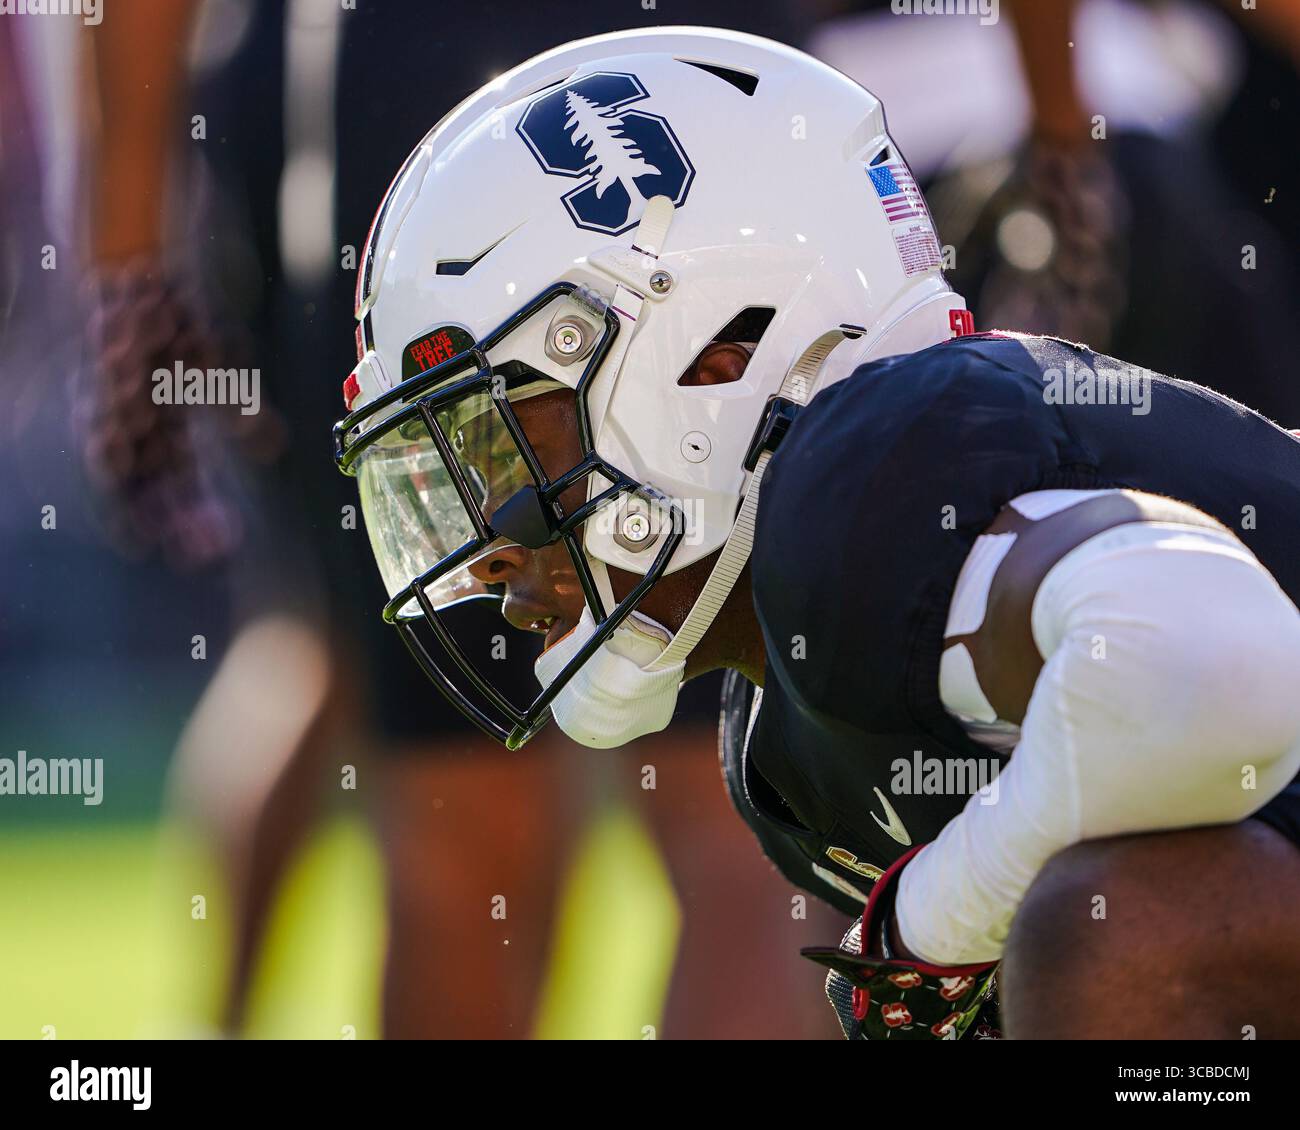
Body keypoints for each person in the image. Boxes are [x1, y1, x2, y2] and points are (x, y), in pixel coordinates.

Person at [333, 27, 1300, 1039]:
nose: (484, 543)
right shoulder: (782, 754)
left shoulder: (869, 476)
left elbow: (1209, 667)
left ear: (707, 359)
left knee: (1103, 931)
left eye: (494, 444)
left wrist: (932, 917)